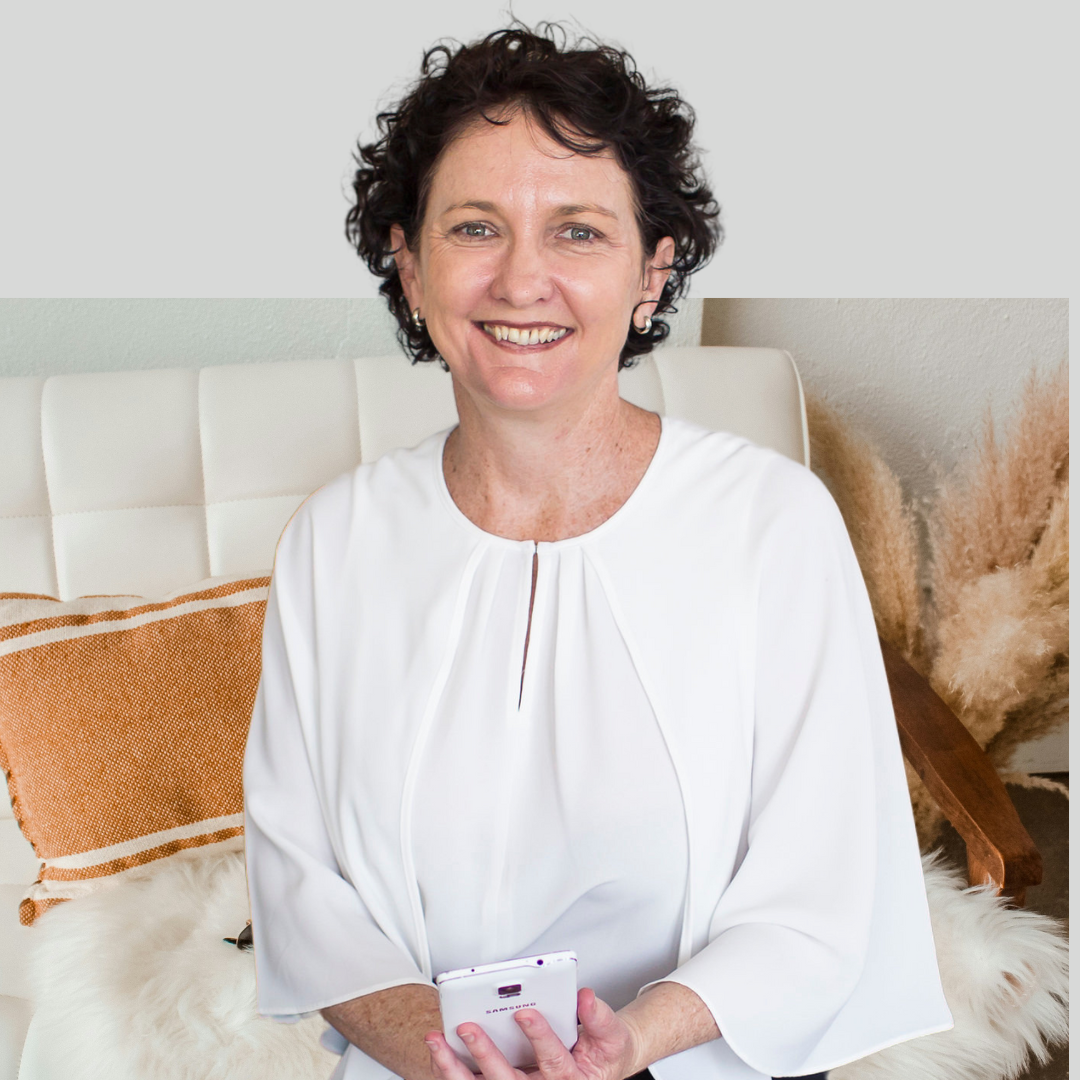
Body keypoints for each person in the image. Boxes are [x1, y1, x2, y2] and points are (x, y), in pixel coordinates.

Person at [242, 24, 952, 1080]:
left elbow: (826, 889)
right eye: (477, 227)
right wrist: (450, 1059)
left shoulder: (773, 523)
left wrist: (633, 1043)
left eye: (577, 232)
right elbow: (299, 882)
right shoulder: (335, 541)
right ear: (411, 262)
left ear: (652, 273)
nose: (522, 280)